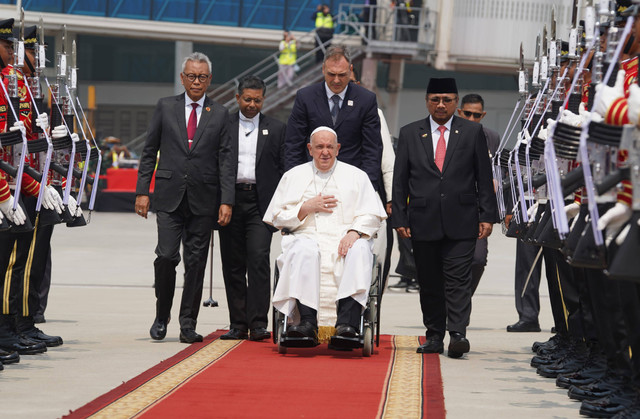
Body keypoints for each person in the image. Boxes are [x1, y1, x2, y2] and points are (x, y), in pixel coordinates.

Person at [392, 77, 497, 358]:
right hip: (422, 221)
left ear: (455, 102)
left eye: (447, 100)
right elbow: (400, 180)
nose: (441, 105)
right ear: (427, 101)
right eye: (435, 99)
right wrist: (399, 218)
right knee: (429, 282)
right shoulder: (410, 133)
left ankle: (458, 334)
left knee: (458, 280)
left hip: (462, 219)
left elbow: (483, 178)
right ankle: (435, 335)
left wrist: (487, 215)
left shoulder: (473, 132)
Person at [135, 52, 235, 344]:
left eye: (202, 77)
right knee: (166, 257)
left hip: (204, 200)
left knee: (196, 264)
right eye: (191, 76)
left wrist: (226, 199)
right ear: (182, 77)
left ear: (209, 79)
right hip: (168, 198)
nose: (196, 81)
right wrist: (143, 191)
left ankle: (188, 322)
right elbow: (148, 150)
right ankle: (161, 313)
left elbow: (226, 161)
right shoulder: (166, 107)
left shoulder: (219, 114)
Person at [263, 126, 386, 343]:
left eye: (330, 146)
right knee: (303, 249)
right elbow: (277, 218)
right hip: (305, 235)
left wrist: (354, 232)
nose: (325, 152)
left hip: (345, 235)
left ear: (338, 148)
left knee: (357, 249)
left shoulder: (357, 176)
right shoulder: (294, 175)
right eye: (319, 147)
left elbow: (372, 214)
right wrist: (305, 207)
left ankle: (347, 324)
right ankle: (307, 323)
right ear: (310, 149)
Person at [218, 76, 286, 341]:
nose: (252, 104)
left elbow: (283, 169)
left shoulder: (277, 128)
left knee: (258, 260)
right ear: (237, 98)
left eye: (257, 100)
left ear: (263, 100)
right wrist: (222, 200)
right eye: (247, 99)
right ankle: (237, 324)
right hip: (230, 201)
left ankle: (258, 323)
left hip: (261, 204)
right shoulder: (223, 126)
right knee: (233, 263)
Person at [284, 45, 382, 191]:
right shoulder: (305, 97)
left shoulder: (366, 100)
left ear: (350, 69)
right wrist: (295, 182)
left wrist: (367, 187)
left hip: (351, 183)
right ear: (323, 69)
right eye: (331, 74)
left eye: (342, 75)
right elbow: (293, 144)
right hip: (311, 182)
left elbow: (372, 149)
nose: (336, 80)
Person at [456, 93, 499, 296]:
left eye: (476, 115)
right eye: (467, 114)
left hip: (477, 210)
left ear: (483, 115)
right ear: (459, 112)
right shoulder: (446, 134)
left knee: (478, 259)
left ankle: (462, 301)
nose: (472, 119)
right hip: (448, 207)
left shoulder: (491, 138)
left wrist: (491, 214)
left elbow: (497, 174)